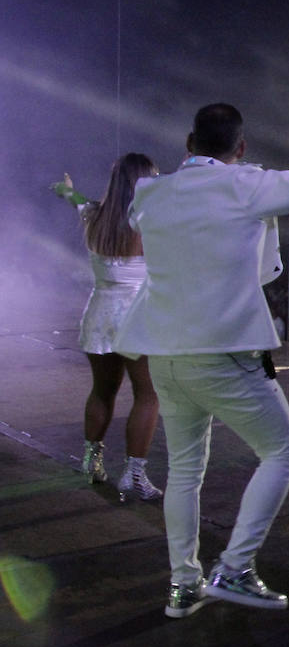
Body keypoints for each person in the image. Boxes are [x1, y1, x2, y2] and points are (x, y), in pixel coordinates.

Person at [114, 101, 289, 619]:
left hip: (165, 356)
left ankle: (183, 586)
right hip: (222, 353)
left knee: (183, 472)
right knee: (283, 453)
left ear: (188, 143)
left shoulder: (151, 194)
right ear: (240, 148)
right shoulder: (245, 184)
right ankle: (235, 568)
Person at [52, 155, 163, 501]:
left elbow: (79, 201)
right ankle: (134, 475)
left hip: (100, 314)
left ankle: (92, 461)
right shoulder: (151, 223)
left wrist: (66, 191)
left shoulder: (95, 216)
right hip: (138, 316)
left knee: (103, 391)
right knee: (148, 394)